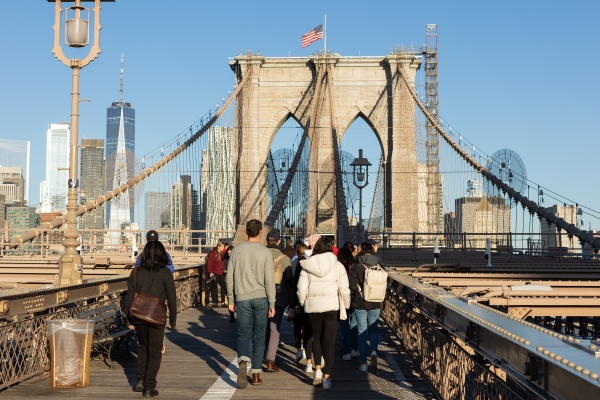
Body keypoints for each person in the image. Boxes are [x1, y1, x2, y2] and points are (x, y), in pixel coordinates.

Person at [227, 219, 276, 389]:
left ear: (246, 232)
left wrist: (231, 300)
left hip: (242, 298)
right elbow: (269, 281)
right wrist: (272, 303)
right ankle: (255, 374)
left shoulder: (236, 251)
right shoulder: (265, 252)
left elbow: (229, 277)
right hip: (261, 298)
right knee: (259, 337)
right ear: (260, 232)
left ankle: (242, 361)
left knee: (243, 335)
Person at [297, 236, 350, 390]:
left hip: (313, 307)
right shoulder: (338, 265)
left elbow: (301, 289)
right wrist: (345, 305)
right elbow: (344, 288)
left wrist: (304, 303)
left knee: (316, 338)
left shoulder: (307, 265)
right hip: (332, 306)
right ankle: (327, 378)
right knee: (329, 342)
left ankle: (318, 370)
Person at [126, 240, 177, 397]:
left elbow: (129, 298)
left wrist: (130, 320)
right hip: (156, 317)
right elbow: (172, 298)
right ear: (162, 255)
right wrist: (173, 320)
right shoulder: (165, 273)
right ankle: (149, 387)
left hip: (139, 316)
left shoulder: (135, 272)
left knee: (143, 347)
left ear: (144, 255)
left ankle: (140, 380)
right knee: (155, 351)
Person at [349, 242, 382, 372]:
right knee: (373, 329)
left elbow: (352, 286)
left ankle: (363, 363)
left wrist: (351, 299)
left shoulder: (357, 266)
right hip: (376, 300)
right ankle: (373, 351)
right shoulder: (379, 263)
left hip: (360, 302)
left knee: (362, 331)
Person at [264, 230, 293, 372]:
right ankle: (270, 361)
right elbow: (290, 283)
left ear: (266, 240)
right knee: (274, 330)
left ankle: (262, 355)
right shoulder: (285, 259)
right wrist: (292, 303)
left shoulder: (259, 256)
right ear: (278, 241)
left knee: (262, 327)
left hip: (261, 296)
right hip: (279, 298)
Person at [289, 241, 310, 364]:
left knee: (297, 325)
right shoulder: (310, 263)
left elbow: (292, 284)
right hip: (309, 300)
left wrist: (291, 303)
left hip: (297, 300)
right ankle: (308, 352)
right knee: (307, 326)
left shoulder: (293, 263)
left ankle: (298, 349)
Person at [337, 247, 358, 360]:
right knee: (354, 325)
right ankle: (354, 348)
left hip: (341, 299)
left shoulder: (338, 268)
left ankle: (346, 352)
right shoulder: (354, 266)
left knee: (344, 326)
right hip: (354, 298)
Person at [207, 241, 227, 307]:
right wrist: (210, 272)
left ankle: (223, 302)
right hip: (214, 273)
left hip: (222, 273)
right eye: (222, 247)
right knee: (214, 287)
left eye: (223, 247)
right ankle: (214, 302)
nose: (223, 248)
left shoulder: (223, 254)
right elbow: (210, 263)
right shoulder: (213, 253)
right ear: (218, 246)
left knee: (223, 287)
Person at [223, 245, 235, 323]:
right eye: (228, 253)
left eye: (230, 253)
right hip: (227, 281)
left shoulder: (237, 260)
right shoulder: (227, 261)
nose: (229, 255)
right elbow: (224, 268)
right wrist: (225, 271)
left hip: (235, 282)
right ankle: (232, 317)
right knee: (230, 299)